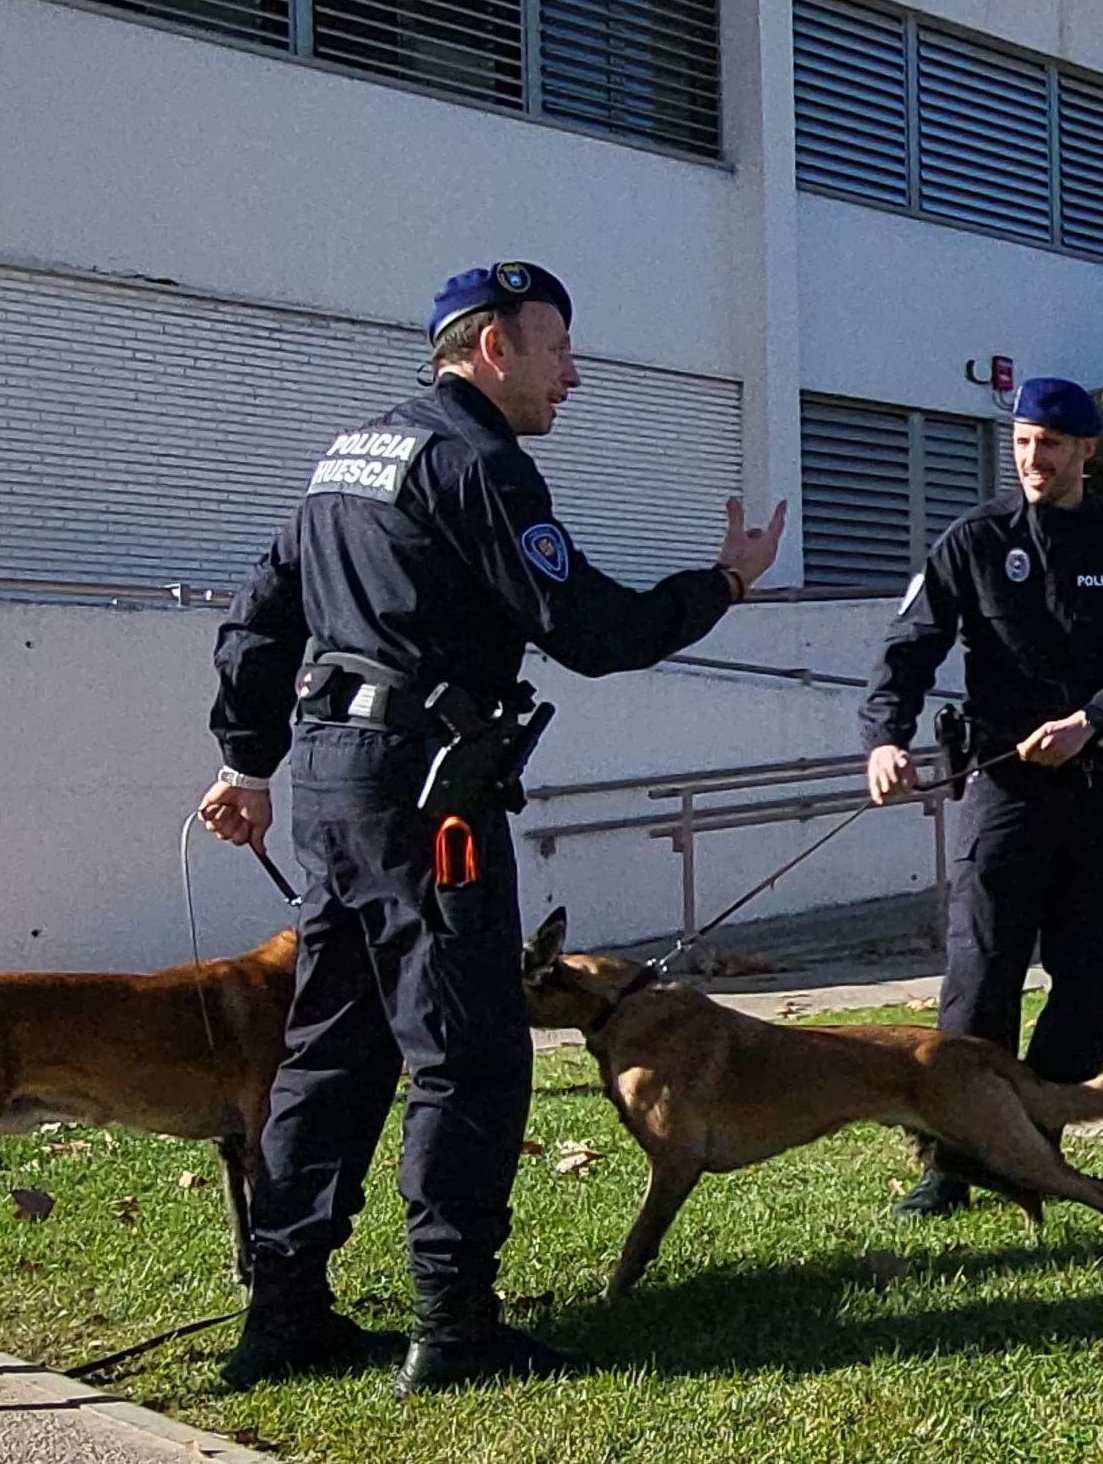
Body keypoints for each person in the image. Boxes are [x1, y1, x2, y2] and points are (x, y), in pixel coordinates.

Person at [199, 260, 787, 1394]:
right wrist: (723, 582)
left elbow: (257, 621)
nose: (572, 375)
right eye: (557, 348)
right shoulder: (476, 462)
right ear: (492, 347)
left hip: (333, 784)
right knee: (466, 1050)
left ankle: (284, 1312)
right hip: (428, 796)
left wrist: (247, 761)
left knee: (330, 1046)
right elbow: (588, 626)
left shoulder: (346, 458)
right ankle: (453, 1320)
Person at [859, 376, 1103, 1215]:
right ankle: (950, 1160)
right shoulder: (976, 539)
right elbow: (908, 646)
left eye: (1050, 444)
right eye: (1022, 442)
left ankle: (1035, 1143)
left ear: (1087, 450)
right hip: (1003, 787)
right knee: (981, 975)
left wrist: (1094, 718)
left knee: (1092, 981)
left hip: (1094, 786)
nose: (1033, 458)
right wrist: (885, 737)